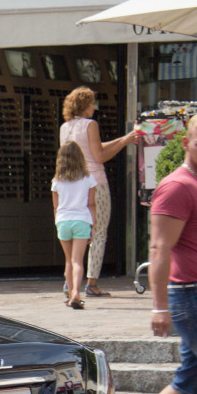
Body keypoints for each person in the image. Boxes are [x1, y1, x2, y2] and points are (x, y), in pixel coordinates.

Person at [122, 111, 197, 394]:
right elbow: (159, 249)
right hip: (194, 296)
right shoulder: (177, 187)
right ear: (186, 143)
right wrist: (159, 307)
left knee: (191, 379)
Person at [59, 86, 140, 297]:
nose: (95, 107)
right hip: (95, 182)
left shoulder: (65, 127)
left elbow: (92, 148)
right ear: (85, 104)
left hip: (72, 184)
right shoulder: (90, 124)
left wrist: (124, 139)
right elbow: (99, 156)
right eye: (92, 103)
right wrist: (125, 141)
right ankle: (92, 283)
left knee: (75, 234)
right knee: (99, 232)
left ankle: (70, 282)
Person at [50, 141, 96, 310]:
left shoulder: (57, 181)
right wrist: (94, 225)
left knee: (68, 261)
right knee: (78, 261)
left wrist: (57, 223)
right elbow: (91, 204)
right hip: (81, 220)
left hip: (63, 220)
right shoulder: (88, 178)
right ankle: (76, 292)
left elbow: (55, 206)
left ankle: (70, 295)